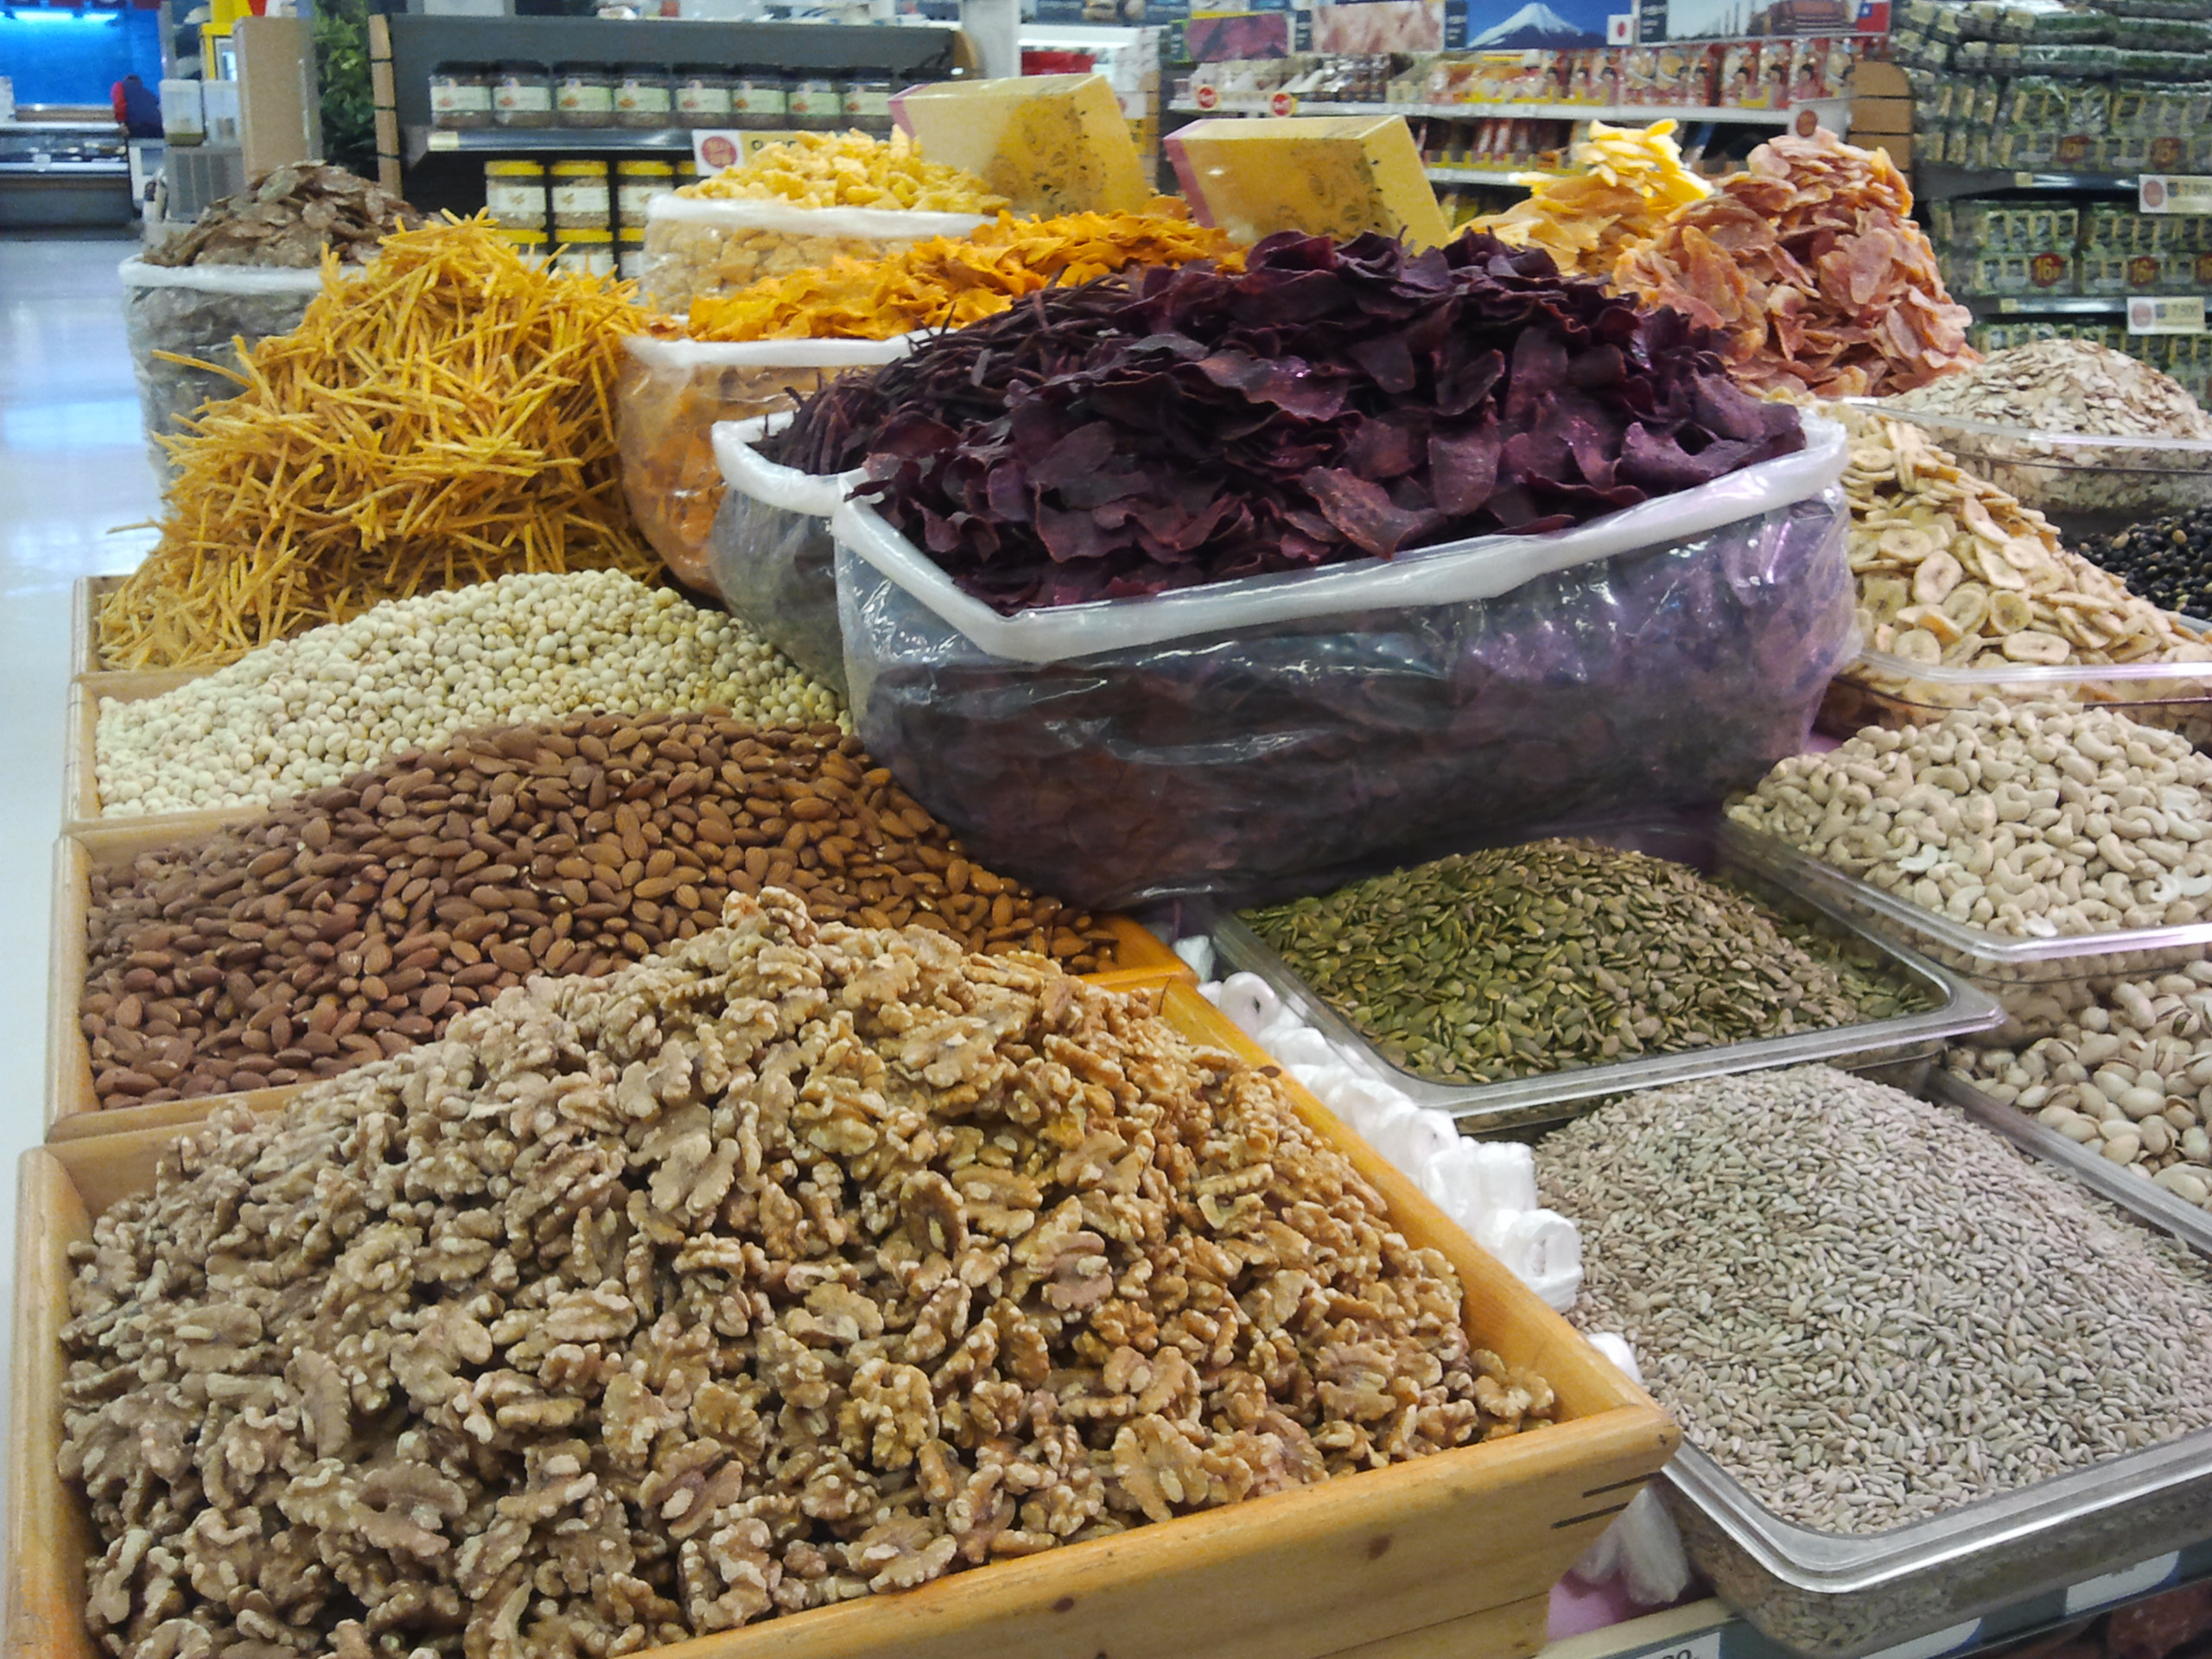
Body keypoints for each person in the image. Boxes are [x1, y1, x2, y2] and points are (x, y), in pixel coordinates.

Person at [111, 74, 164, 138]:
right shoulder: (147, 93)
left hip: (136, 125)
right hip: (157, 127)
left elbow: (119, 104)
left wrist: (122, 123)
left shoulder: (119, 86)